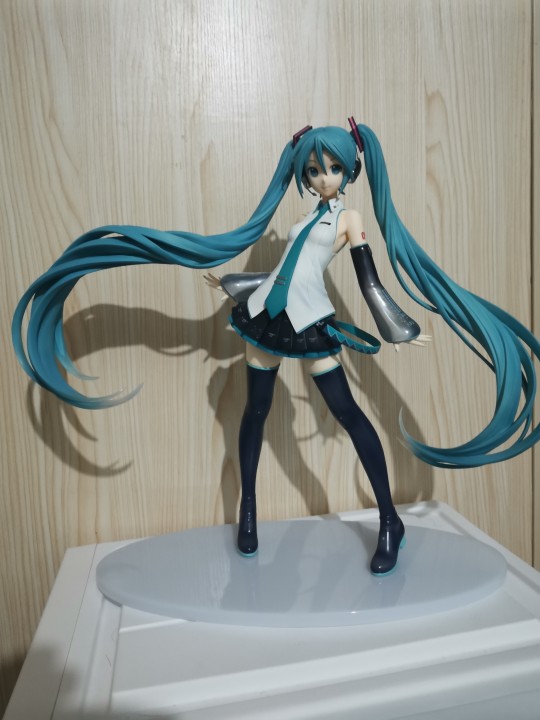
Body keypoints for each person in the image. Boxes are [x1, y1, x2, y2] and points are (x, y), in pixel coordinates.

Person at [12, 120, 539, 576]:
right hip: (266, 317)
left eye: (332, 168)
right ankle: (249, 507)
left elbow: (368, 280)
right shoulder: (305, 219)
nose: (322, 178)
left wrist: (397, 327)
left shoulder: (349, 220)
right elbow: (287, 270)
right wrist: (236, 284)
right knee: (256, 412)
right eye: (313, 170)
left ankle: (389, 520)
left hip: (308, 324)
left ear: (350, 170)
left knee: (348, 414)